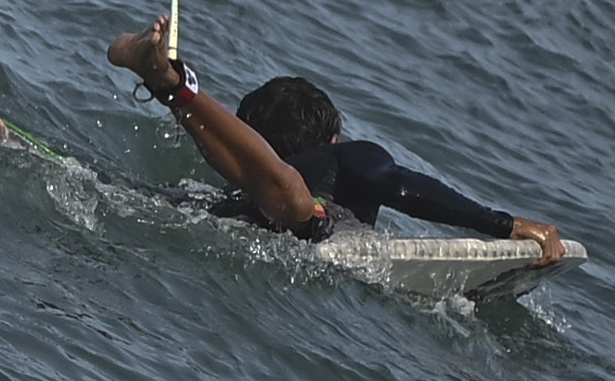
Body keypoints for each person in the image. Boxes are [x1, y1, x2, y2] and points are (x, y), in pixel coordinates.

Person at [103, 26, 573, 263]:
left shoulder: (247, 182)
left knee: (256, 187)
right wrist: (504, 225)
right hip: (303, 221)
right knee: (293, 200)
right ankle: (170, 81)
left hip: (214, 211)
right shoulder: (345, 156)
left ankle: (171, 87)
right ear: (331, 136)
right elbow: (395, 183)